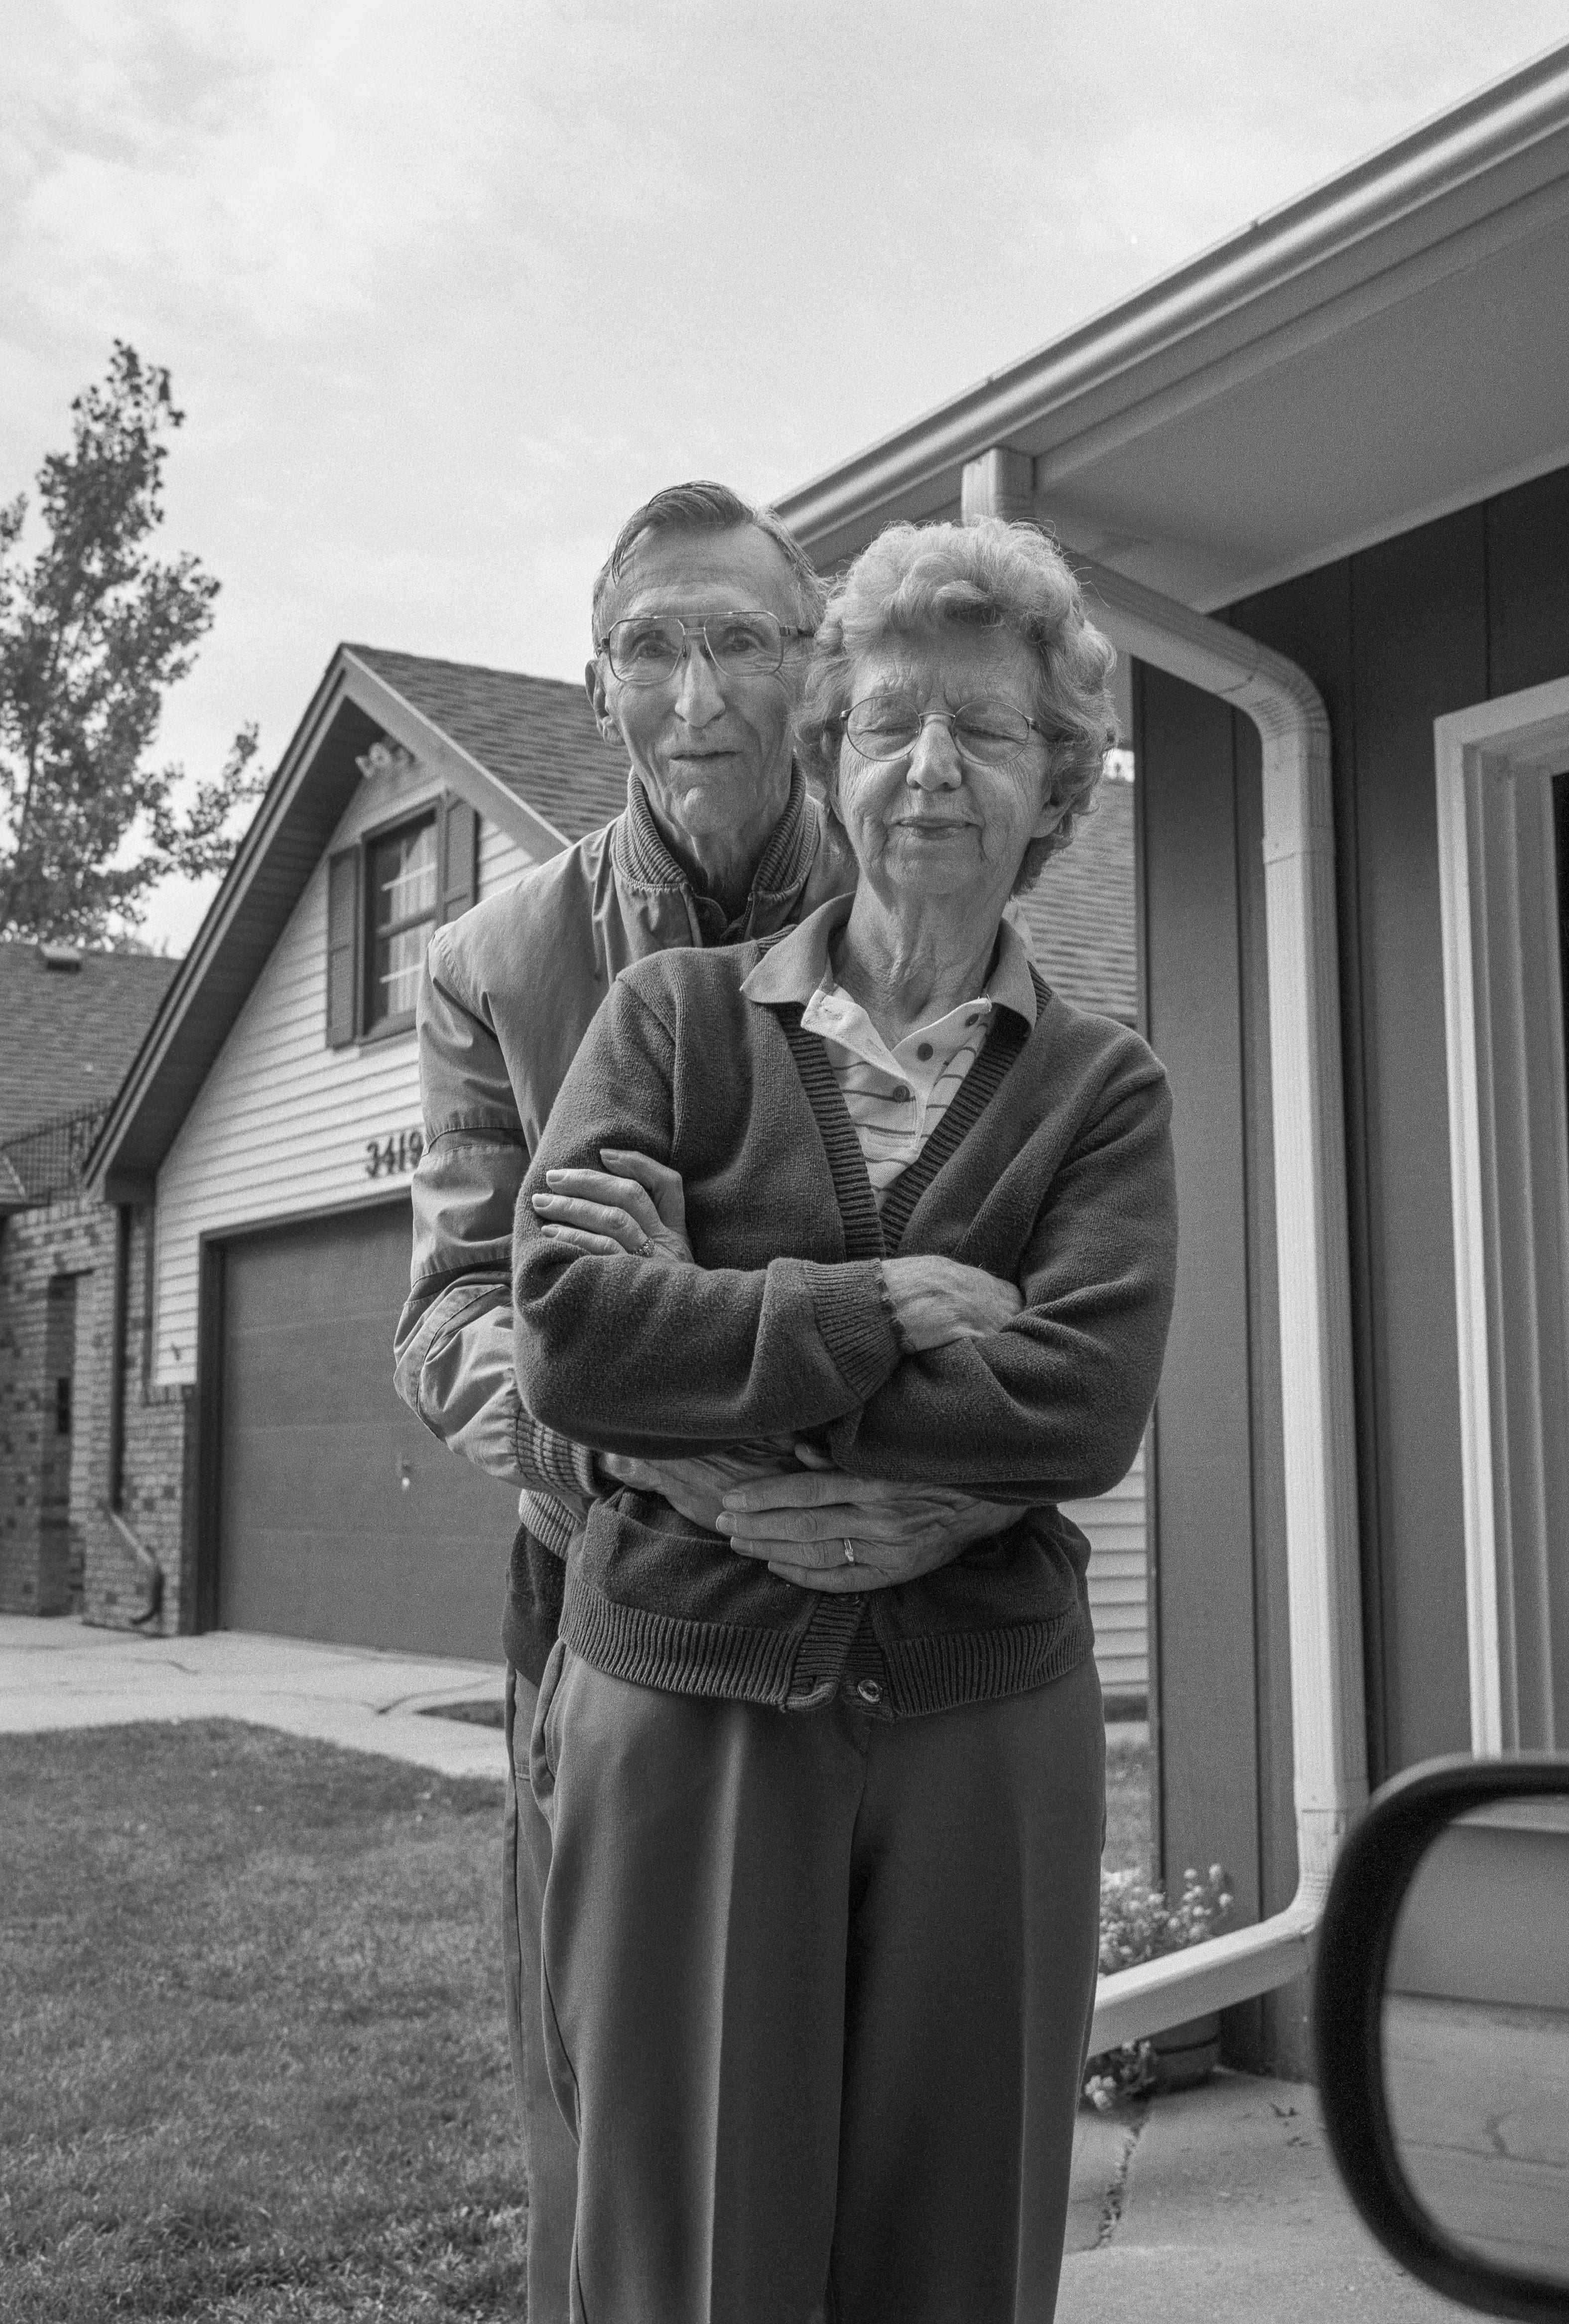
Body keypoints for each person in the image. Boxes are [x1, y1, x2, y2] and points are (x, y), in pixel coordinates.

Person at [514, 515, 1178, 2323]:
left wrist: (716, 1330)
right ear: (829, 755)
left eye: (987, 727)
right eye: (887, 722)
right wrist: (880, 1310)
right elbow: (571, 1333)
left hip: (986, 1717)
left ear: (1059, 781)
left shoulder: (1102, 1088)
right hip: (688, 1698)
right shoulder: (669, 1021)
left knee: (955, 2251)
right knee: (690, 2254)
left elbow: (1080, 1399)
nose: (930, 768)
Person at [392, 482, 1015, 2324]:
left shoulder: (929, 889)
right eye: (649, 647)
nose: (696, 695)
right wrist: (650, 1431)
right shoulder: (493, 962)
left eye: (740, 640)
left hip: (915, 1590)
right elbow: (466, 1310)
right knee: (628, 2147)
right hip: (611, 1605)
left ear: (813, 665)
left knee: (916, 2138)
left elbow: (1015, 1281)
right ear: (593, 681)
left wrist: (673, 1312)